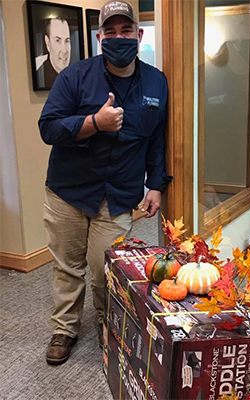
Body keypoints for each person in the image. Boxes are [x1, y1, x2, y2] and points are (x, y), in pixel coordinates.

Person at [39, 0, 172, 365]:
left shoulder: (156, 83)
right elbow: (48, 128)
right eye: (110, 32)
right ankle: (64, 328)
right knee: (68, 266)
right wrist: (94, 122)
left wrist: (156, 185)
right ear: (100, 38)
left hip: (118, 197)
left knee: (107, 271)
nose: (118, 37)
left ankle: (106, 322)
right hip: (69, 192)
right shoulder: (75, 77)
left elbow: (157, 141)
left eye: (125, 30)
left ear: (138, 34)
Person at [37, 17, 71, 88]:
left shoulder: (77, 74)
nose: (64, 50)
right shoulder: (40, 76)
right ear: (48, 43)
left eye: (67, 41)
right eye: (58, 41)